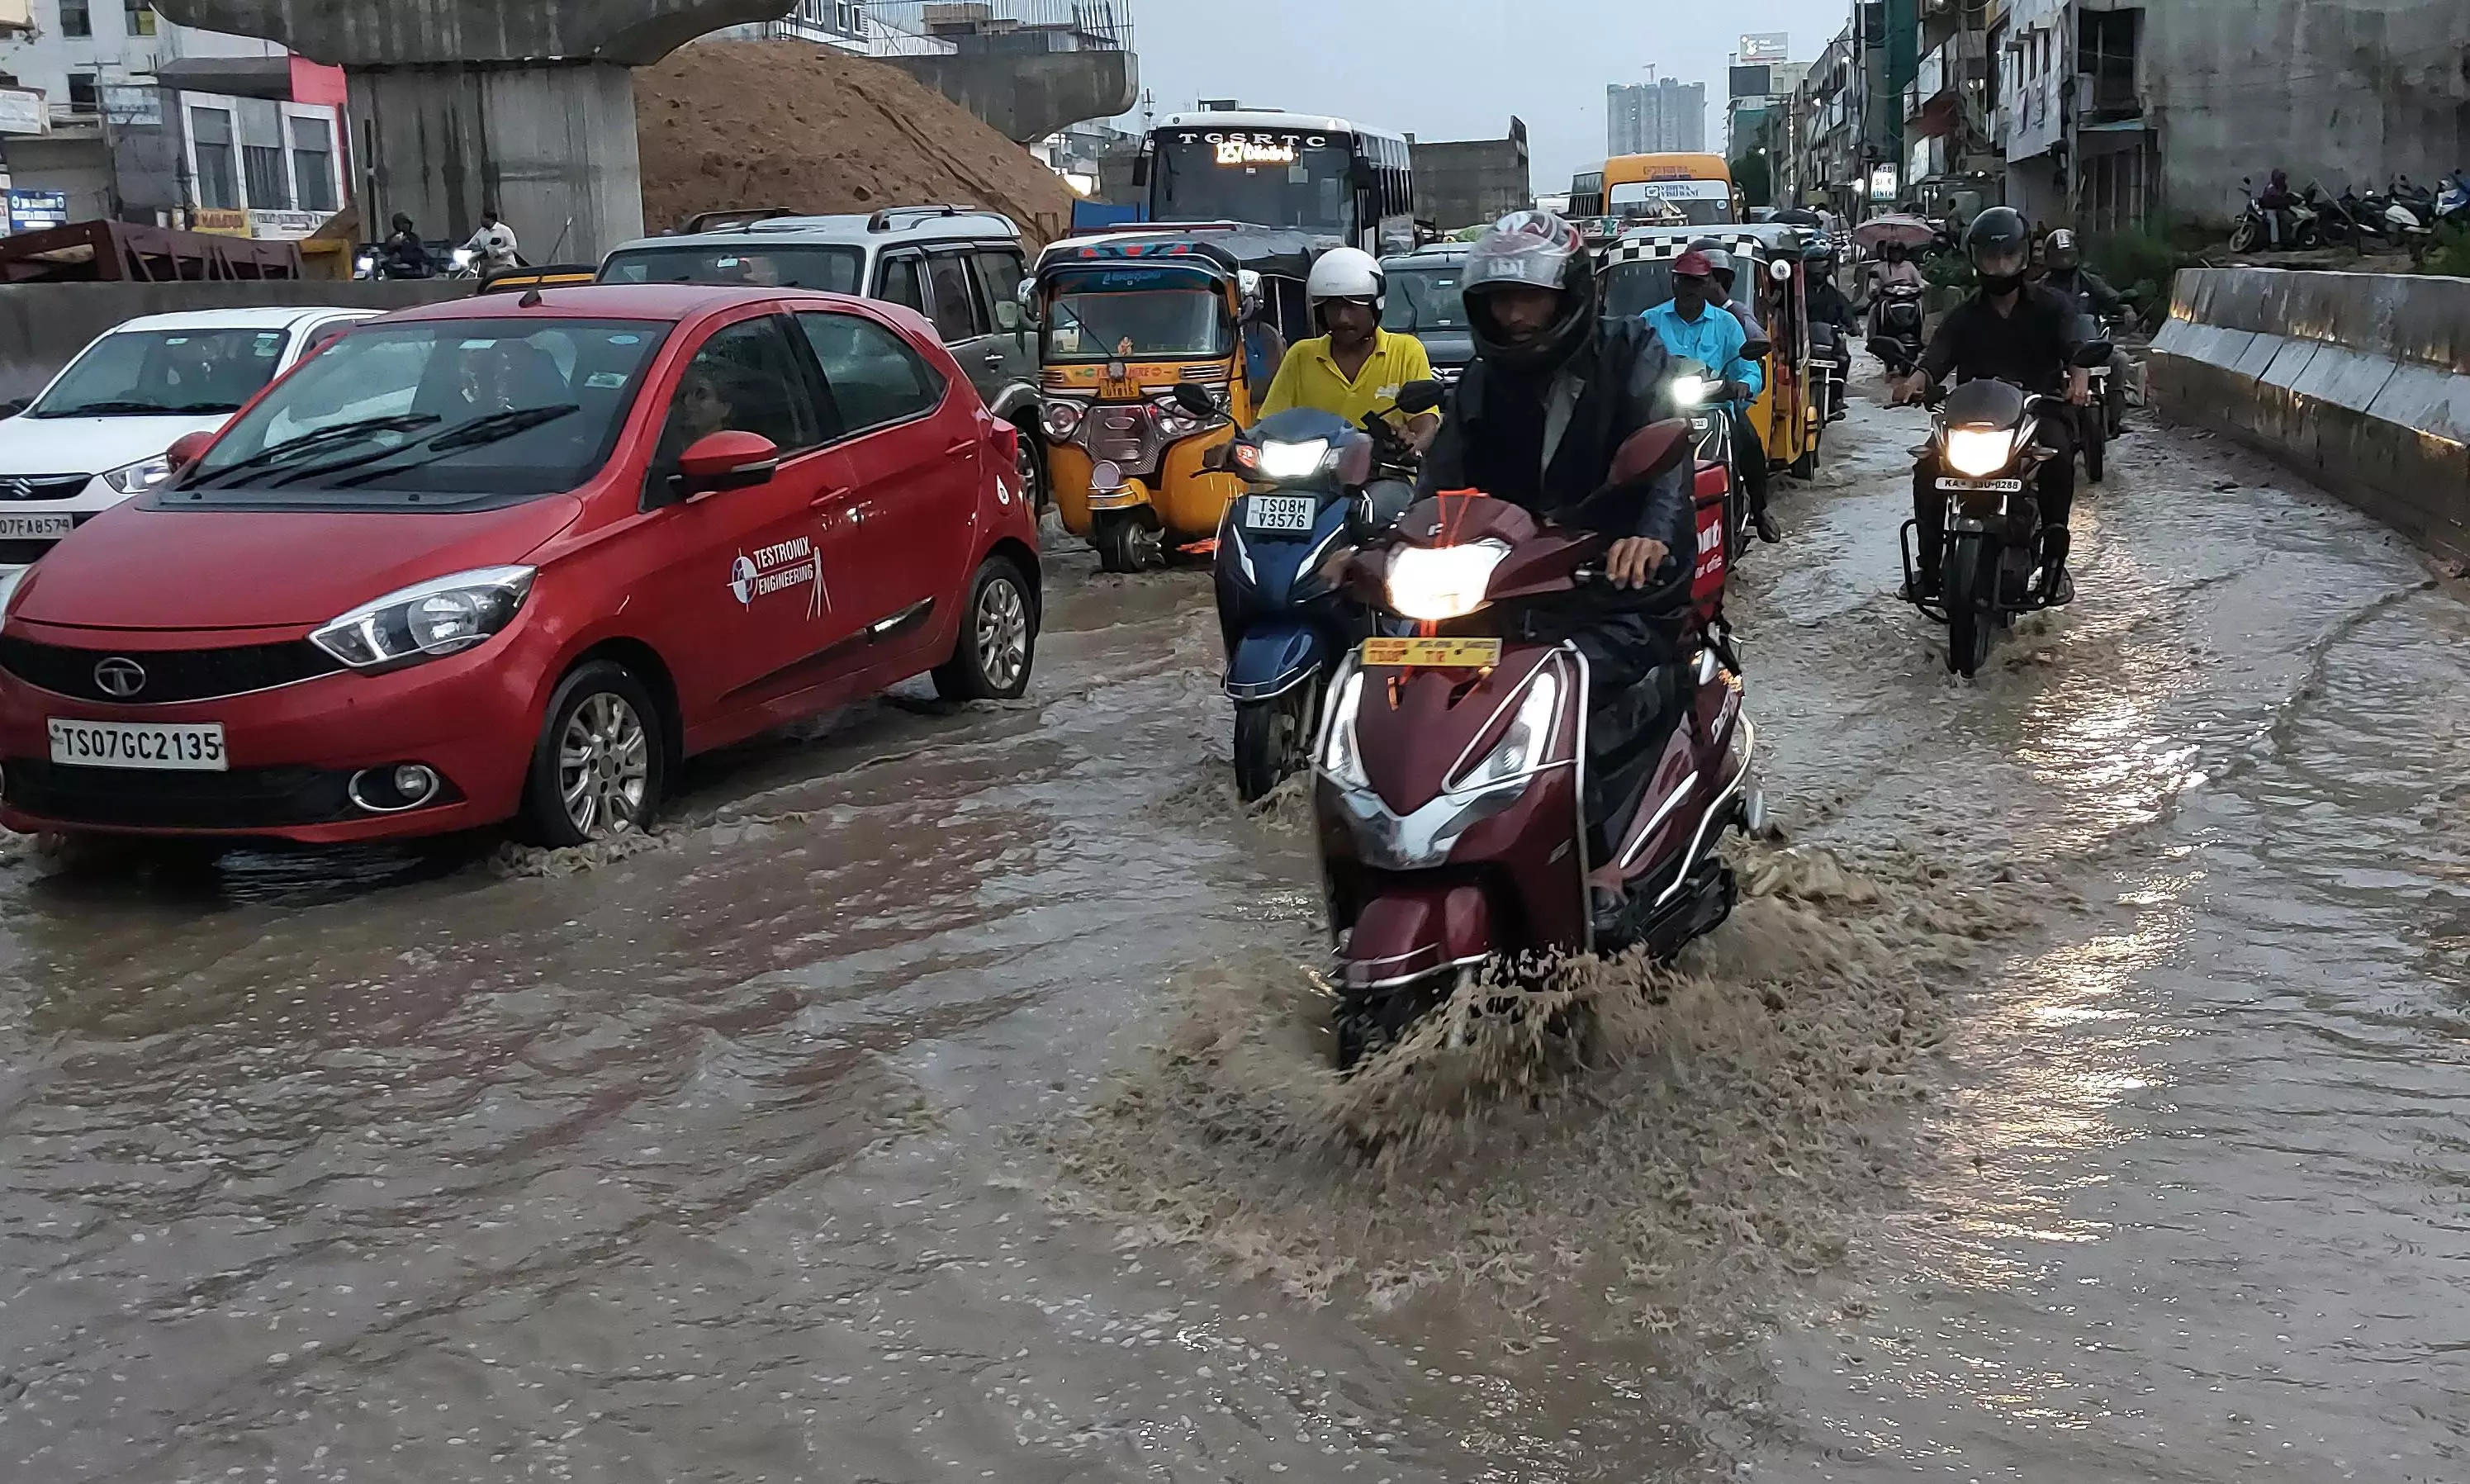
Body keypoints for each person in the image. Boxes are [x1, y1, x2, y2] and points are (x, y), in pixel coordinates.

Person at [1417, 211, 1697, 861]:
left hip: (1612, 589)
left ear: (1568, 296)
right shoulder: (1481, 383)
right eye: (1501, 300)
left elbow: (1663, 457)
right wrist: (1375, 545)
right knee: (1412, 678)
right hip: (1504, 592)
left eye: (1530, 299)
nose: (1514, 315)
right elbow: (1438, 481)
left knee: (1566, 700)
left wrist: (1647, 537)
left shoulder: (1631, 351)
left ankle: (1596, 862)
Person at [1892, 206, 2091, 604]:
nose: (1999, 268)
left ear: (2023, 258)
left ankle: (2054, 564)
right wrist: (1915, 381)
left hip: (2037, 414)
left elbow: (2077, 346)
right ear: (1976, 260)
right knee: (1927, 468)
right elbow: (1937, 357)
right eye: (1990, 258)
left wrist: (2080, 378)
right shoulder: (1965, 314)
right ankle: (1929, 568)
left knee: (2060, 460)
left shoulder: (2053, 307)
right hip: (1972, 421)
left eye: (2007, 257)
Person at [1644, 248, 1777, 543]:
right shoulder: (1649, 321)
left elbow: (1751, 370)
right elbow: (1630, 364)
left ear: (1707, 285)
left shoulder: (1727, 323)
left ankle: (1759, 509)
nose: (1690, 288)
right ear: (1674, 283)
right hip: (1661, 409)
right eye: (1684, 281)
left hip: (1717, 405)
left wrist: (1744, 385)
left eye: (1697, 282)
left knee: (1751, 443)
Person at [1260, 247, 1441, 453]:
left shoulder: (1406, 350)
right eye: (1333, 307)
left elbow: (1425, 423)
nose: (1342, 318)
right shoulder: (1301, 355)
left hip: (1386, 473)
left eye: (1353, 307)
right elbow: (1269, 423)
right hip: (1313, 475)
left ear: (1375, 307)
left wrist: (1409, 445)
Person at [2040, 228, 2135, 430]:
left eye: (2068, 256)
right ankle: (2044, 420)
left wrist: (2126, 309)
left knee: (2120, 361)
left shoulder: (2090, 282)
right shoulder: (2040, 288)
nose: (2064, 262)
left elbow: (2114, 300)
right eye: (2059, 257)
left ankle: (2114, 420)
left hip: (2092, 346)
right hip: (2057, 352)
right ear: (2049, 258)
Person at [1804, 239, 1860, 422]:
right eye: (1814, 265)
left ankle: (1836, 399)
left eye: (1821, 264)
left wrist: (1853, 326)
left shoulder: (1834, 294)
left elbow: (1847, 313)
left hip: (1829, 339)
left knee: (1844, 359)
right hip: (1804, 341)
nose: (1817, 269)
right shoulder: (1798, 293)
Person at [462, 209, 520, 277]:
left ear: (490, 219)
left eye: (482, 219)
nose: (480, 221)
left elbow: (513, 246)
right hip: (487, 264)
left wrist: (499, 252)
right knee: (475, 276)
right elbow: (471, 243)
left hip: (504, 263)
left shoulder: (504, 230)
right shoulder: (482, 231)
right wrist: (461, 248)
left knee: (491, 275)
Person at [380, 213, 433, 278]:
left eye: (408, 223)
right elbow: (385, 254)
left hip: (412, 269)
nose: (406, 226)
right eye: (403, 223)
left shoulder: (414, 238)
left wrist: (403, 257)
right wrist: (392, 245)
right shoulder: (391, 238)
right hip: (395, 271)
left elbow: (421, 254)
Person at [2257, 168, 2297, 248]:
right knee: (2273, 221)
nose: (2281, 180)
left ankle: (2288, 240)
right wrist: (2282, 197)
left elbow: (2286, 195)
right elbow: (2274, 194)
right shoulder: (2271, 186)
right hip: (2269, 209)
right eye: (2280, 178)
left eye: (2283, 178)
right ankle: (2274, 242)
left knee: (2289, 218)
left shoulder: (2284, 186)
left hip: (2280, 209)